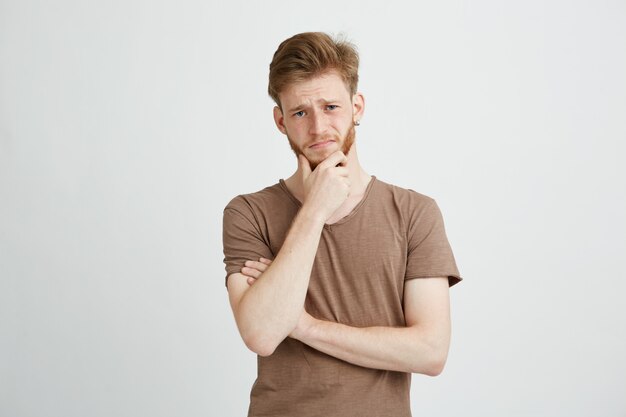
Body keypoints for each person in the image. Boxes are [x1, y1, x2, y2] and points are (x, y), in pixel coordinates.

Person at [222, 32, 462, 417]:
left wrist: (302, 326)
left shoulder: (415, 212)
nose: (318, 127)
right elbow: (262, 334)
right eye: (300, 112)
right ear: (280, 121)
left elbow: (431, 352)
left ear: (357, 107)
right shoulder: (247, 213)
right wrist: (314, 210)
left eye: (331, 106)